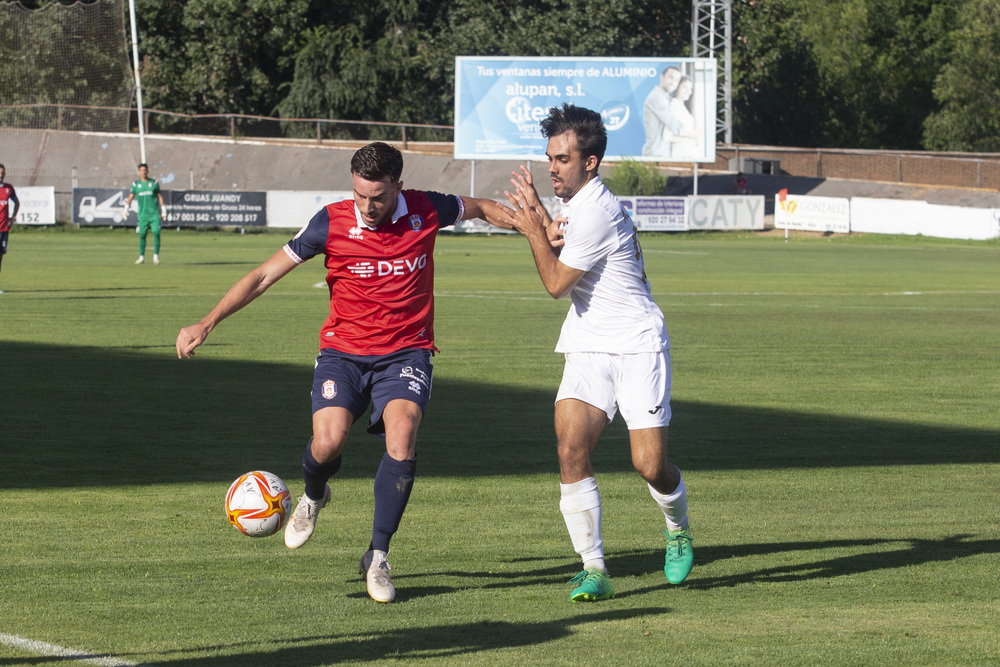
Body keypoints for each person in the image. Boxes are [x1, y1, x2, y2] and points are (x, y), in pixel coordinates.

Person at [175, 142, 512, 603]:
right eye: (359, 196)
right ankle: (314, 495)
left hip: (406, 353)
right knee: (328, 443)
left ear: (397, 183)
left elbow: (484, 208)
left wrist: (536, 228)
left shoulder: (426, 208)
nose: (367, 207)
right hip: (343, 353)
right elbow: (264, 275)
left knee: (403, 435)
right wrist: (207, 321)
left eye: (377, 197)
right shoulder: (330, 222)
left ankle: (378, 556)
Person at [503, 104, 693, 602]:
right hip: (588, 346)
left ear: (590, 162)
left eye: (562, 159)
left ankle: (678, 529)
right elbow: (559, 236)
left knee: (651, 466)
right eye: (550, 158)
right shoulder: (582, 205)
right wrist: (542, 218)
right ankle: (595, 569)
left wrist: (531, 229)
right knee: (570, 449)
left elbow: (554, 283)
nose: (552, 167)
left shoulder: (598, 212)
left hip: (636, 347)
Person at [123, 163, 166, 265]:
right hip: (142, 215)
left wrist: (163, 209)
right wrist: (125, 209)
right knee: (142, 235)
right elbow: (130, 197)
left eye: (145, 170)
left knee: (156, 233)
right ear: (139, 172)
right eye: (141, 170)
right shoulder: (135, 184)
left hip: (154, 214)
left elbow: (159, 196)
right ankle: (141, 257)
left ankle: (156, 257)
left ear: (148, 171)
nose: (143, 172)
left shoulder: (154, 183)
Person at [641, 66, 685, 159]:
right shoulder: (656, 97)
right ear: (662, 77)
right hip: (655, 155)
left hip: (662, 154)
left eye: (677, 80)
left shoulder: (667, 99)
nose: (673, 82)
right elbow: (676, 127)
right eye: (671, 77)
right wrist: (695, 135)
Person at [0, 163, 20, 293]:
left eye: (2, 173)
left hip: (3, 229)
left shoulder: (8, 188)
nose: (1, 176)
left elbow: (17, 202)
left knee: (0, 258)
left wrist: (12, 218)